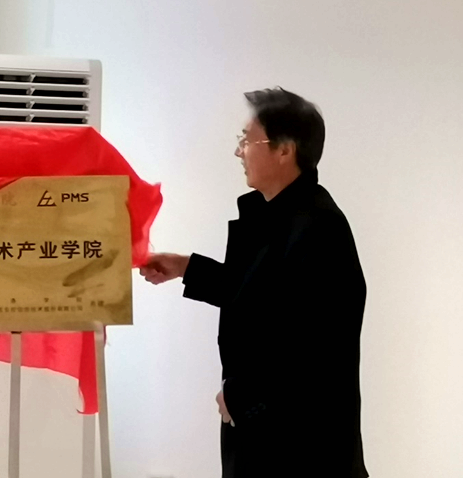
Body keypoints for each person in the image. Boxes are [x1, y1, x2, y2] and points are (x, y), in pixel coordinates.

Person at [140, 88, 368, 478]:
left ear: (285, 150)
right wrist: (185, 267)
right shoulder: (281, 216)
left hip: (301, 446)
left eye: (247, 140)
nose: (238, 151)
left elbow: (313, 343)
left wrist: (241, 396)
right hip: (270, 433)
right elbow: (257, 295)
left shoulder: (318, 227)